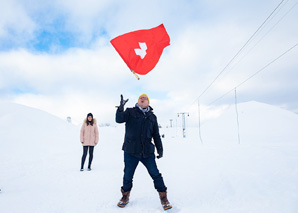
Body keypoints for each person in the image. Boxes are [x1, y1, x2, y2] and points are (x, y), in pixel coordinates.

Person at [115, 94, 172, 210]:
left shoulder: (152, 117)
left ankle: (163, 197)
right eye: (141, 97)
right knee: (127, 175)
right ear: (138, 101)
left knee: (155, 174)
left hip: (147, 152)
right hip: (131, 151)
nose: (142, 99)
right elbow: (119, 119)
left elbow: (156, 134)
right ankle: (125, 196)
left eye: (145, 98)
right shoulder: (130, 111)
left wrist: (160, 149)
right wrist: (120, 109)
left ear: (148, 103)